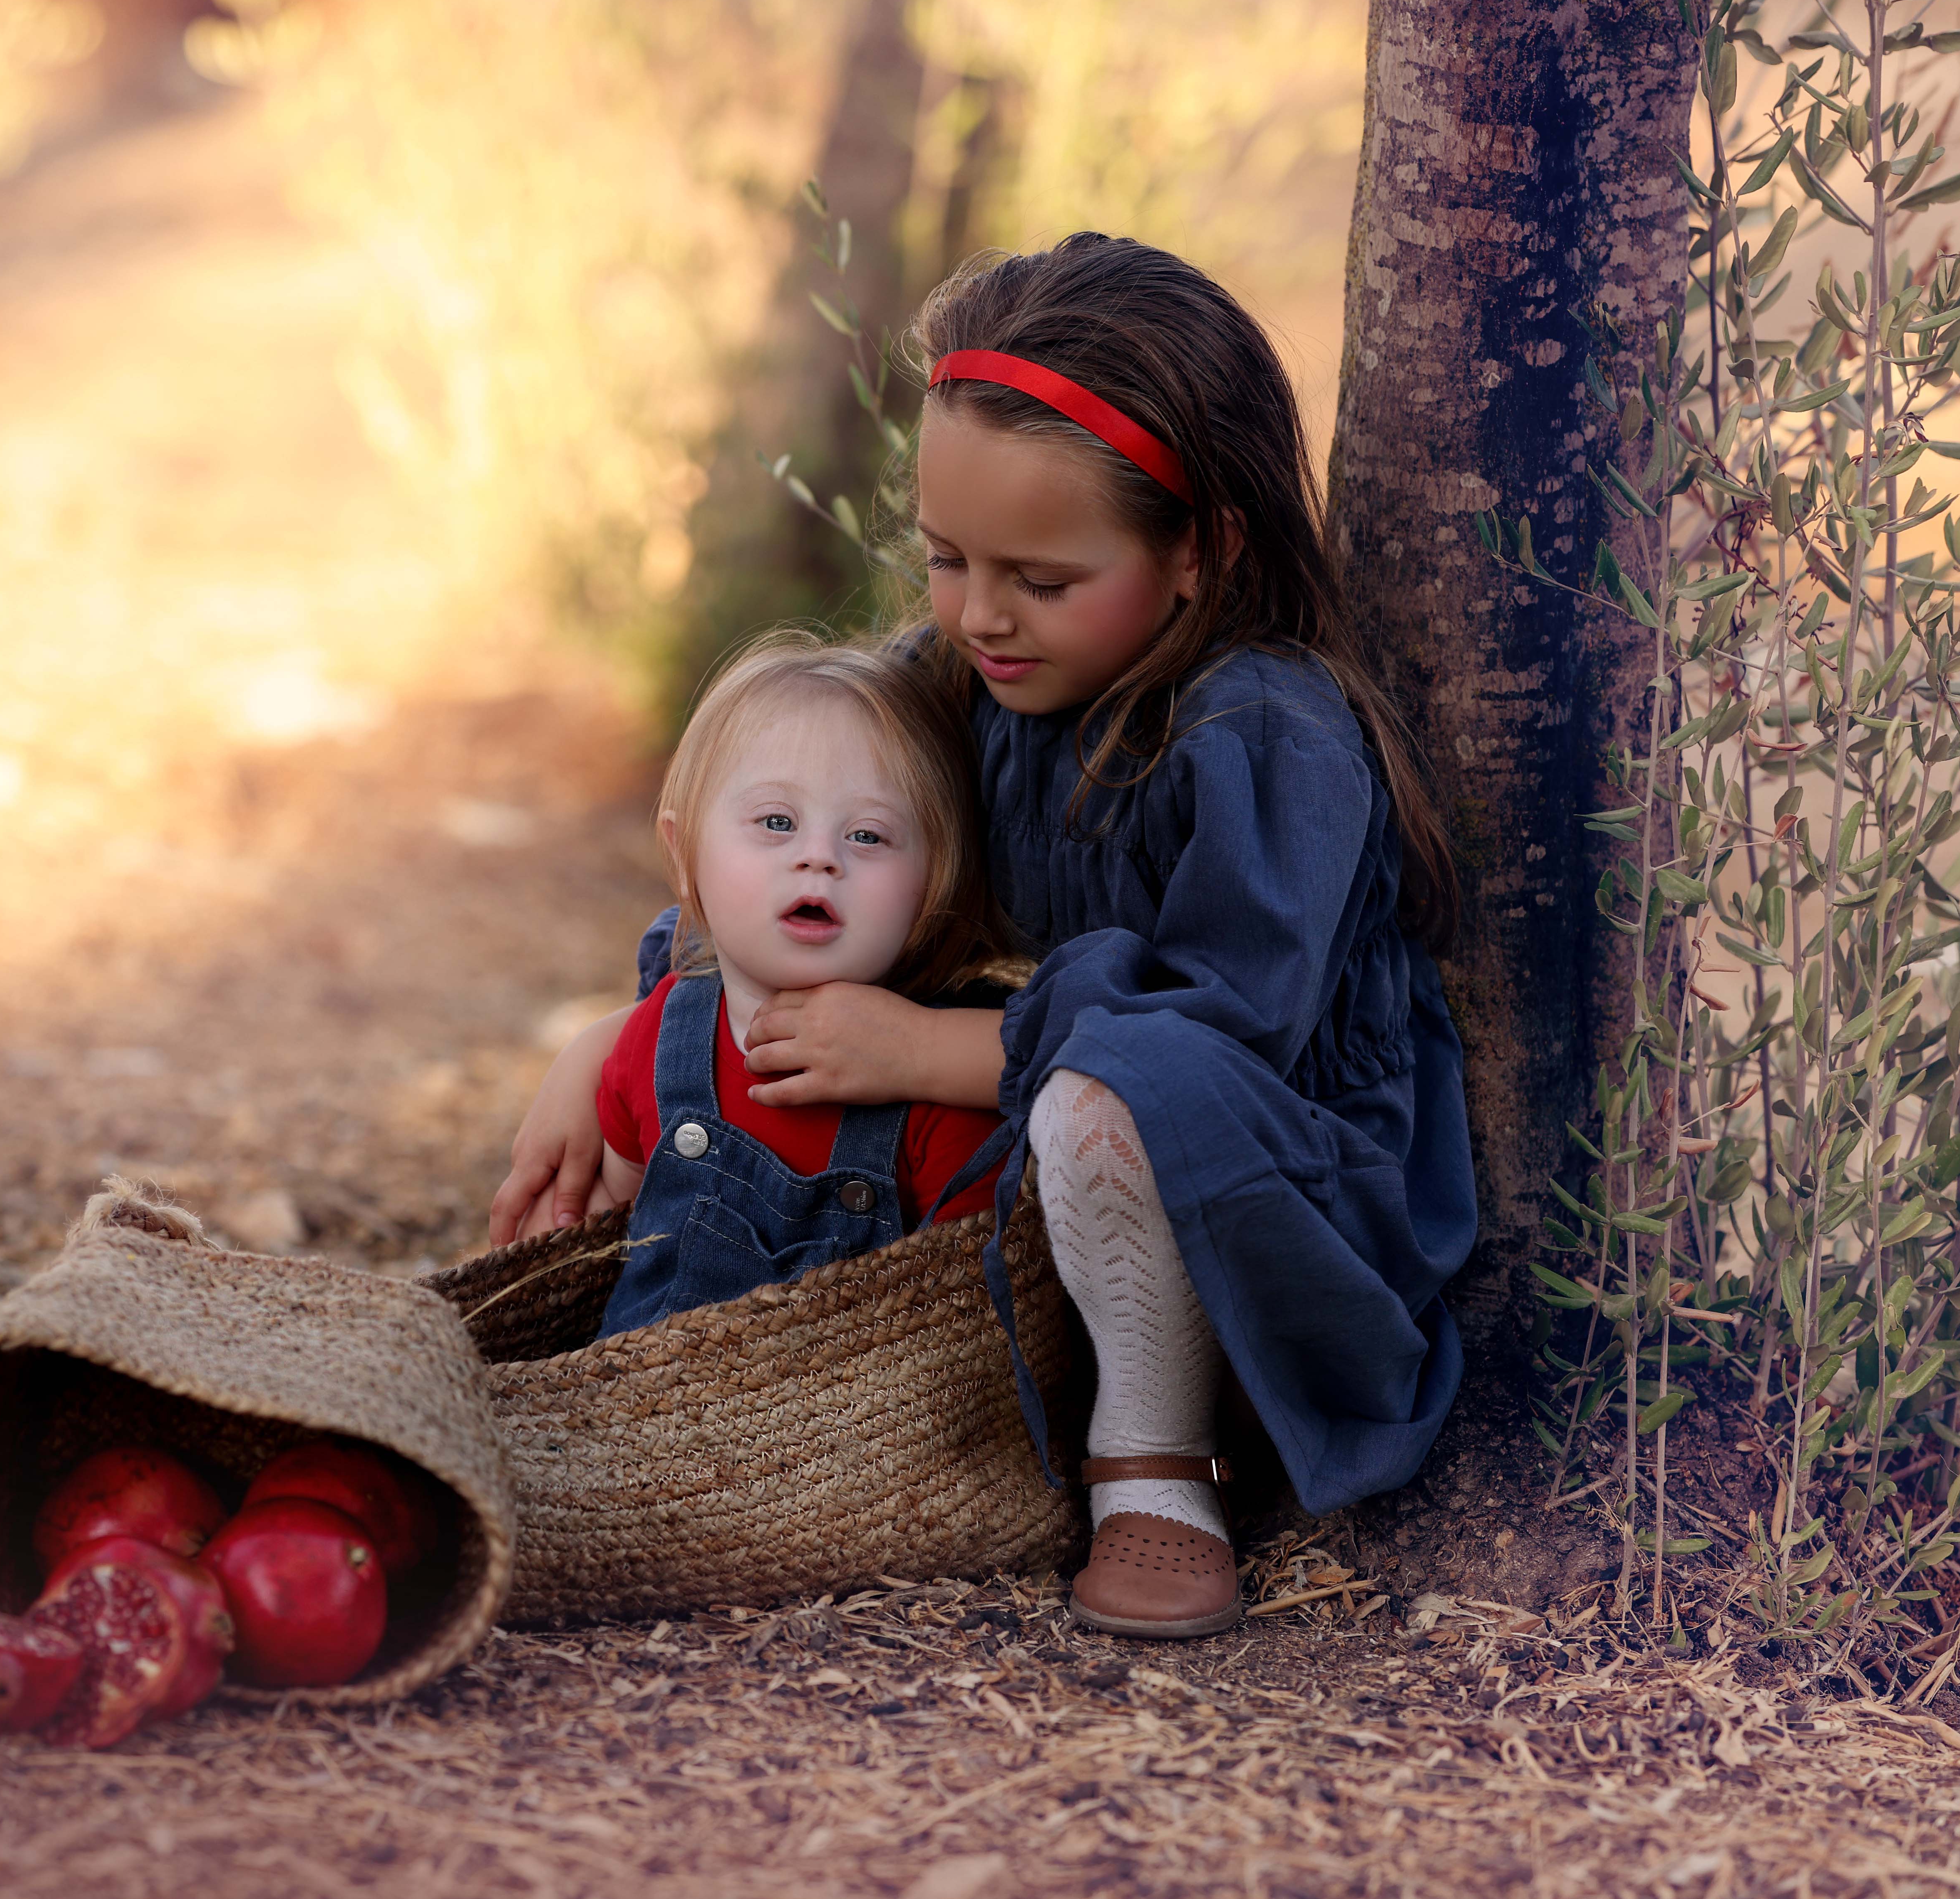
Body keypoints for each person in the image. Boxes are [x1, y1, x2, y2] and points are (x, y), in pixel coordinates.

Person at [489, 234, 1476, 1640]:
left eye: (1040, 578)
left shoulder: (1263, 735)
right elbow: (792, 839)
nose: (978, 613)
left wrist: (928, 1049)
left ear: (1200, 552)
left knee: (1104, 1099)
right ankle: (775, 1377)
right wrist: (624, 1033)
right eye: (944, 558)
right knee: (811, 1080)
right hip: (1015, 1157)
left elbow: (1226, 1034)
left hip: (1265, 1177)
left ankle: (1154, 1467)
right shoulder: (960, 676)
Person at [582, 632, 1011, 1338]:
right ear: (685, 856)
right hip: (644, 1398)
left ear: (936, 882)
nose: (819, 857)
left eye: (868, 836)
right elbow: (603, 1245)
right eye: (777, 822)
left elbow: (966, 1327)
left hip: (855, 1404)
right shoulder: (657, 1042)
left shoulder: (940, 1091)